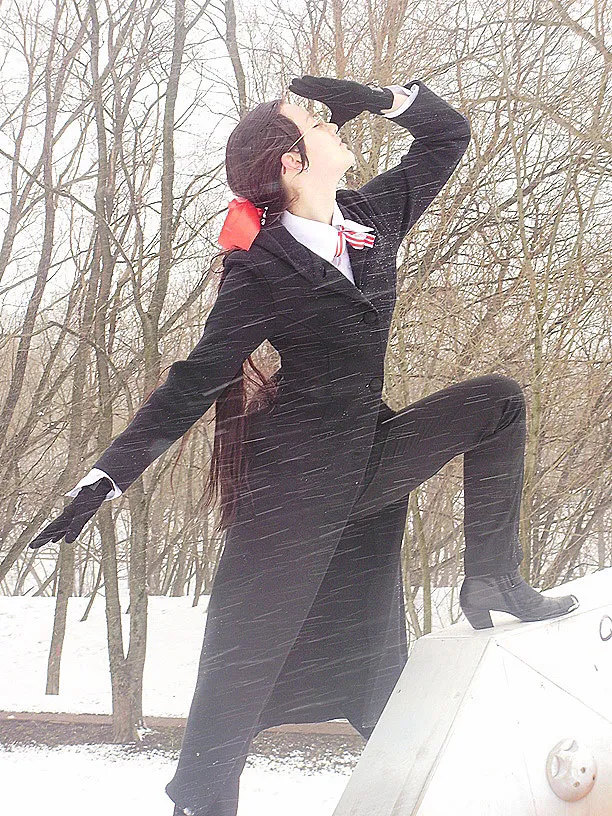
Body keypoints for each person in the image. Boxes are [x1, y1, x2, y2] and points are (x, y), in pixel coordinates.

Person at [29, 76, 579, 816]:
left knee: (500, 402)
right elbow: (193, 381)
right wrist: (106, 477)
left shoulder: (368, 219)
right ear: (292, 162)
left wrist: (377, 97)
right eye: (315, 122)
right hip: (297, 480)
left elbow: (448, 136)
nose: (330, 124)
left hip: (367, 447)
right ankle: (204, 798)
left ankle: (491, 582)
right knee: (245, 649)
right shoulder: (261, 267)